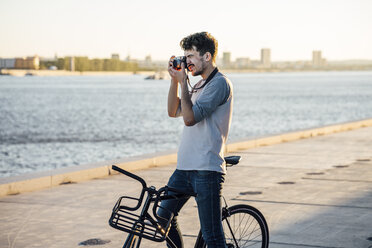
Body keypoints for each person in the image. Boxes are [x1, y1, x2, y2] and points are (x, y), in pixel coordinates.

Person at [158, 32, 233, 248]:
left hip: (207, 170)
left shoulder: (220, 84)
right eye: (185, 56)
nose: (187, 61)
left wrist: (184, 84)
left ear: (207, 56)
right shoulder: (198, 85)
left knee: (213, 238)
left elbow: (189, 119)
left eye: (190, 55)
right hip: (185, 168)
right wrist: (175, 81)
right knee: (162, 218)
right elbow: (173, 111)